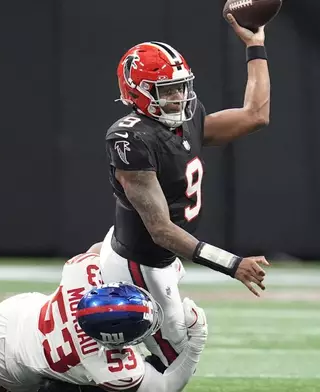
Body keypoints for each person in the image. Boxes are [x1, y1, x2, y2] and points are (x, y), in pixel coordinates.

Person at [99, 14, 271, 369]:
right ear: (138, 92)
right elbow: (160, 230)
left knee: (172, 349)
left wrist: (255, 46)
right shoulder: (130, 137)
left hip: (164, 258)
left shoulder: (186, 116)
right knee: (176, 361)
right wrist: (232, 264)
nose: (179, 97)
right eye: (167, 90)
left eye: (181, 86)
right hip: (139, 265)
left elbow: (256, 115)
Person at [0, 248, 208, 392]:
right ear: (114, 341)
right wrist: (197, 341)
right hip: (4, 366)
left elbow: (102, 252)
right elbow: (166, 386)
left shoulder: (83, 272)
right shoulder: (113, 369)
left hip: (12, 315)